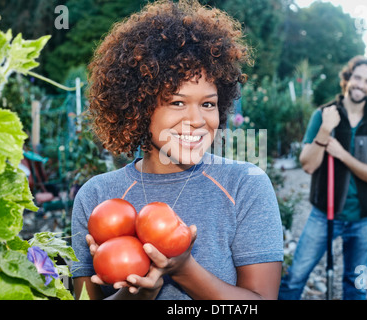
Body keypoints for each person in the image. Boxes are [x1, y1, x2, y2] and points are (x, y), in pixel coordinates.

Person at [70, 0, 284, 300]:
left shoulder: (245, 185)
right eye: (177, 102)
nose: (197, 121)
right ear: (140, 106)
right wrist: (136, 296)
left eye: (208, 104)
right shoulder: (96, 197)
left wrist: (185, 270)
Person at [279, 56, 367, 300]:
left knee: (359, 283)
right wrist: (326, 129)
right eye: (357, 77)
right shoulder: (323, 115)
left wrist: (341, 154)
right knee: (295, 276)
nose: (361, 84)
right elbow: (307, 165)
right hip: (324, 214)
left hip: (364, 219)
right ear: (347, 79)